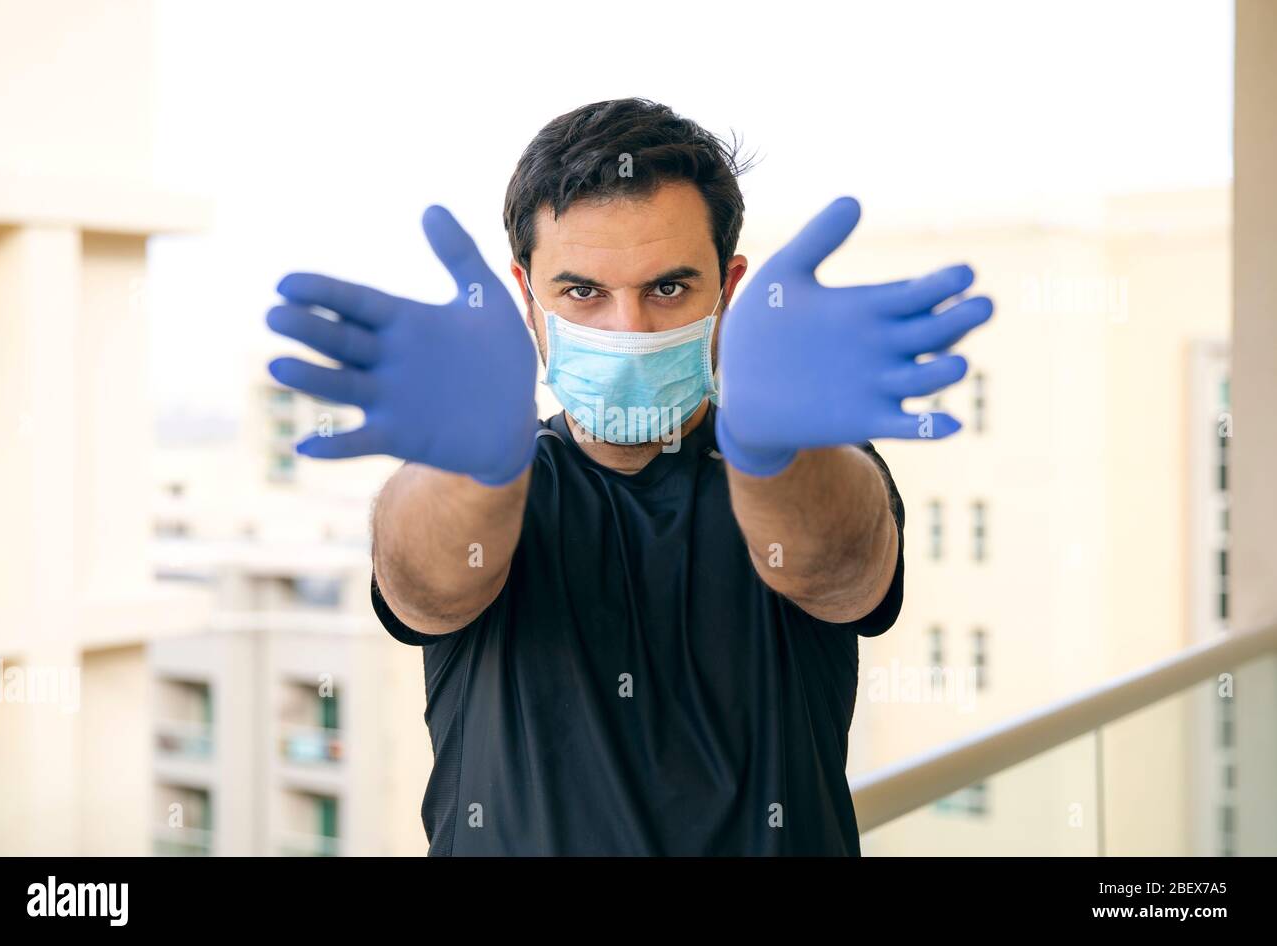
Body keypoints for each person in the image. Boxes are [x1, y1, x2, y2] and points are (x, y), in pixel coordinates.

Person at [265, 98, 993, 855]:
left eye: (669, 289)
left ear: (729, 290)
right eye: (583, 293)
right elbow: (424, 588)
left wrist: (773, 450)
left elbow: (841, 573)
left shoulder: (809, 464)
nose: (630, 330)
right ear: (527, 299)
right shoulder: (493, 484)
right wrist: (477, 469)